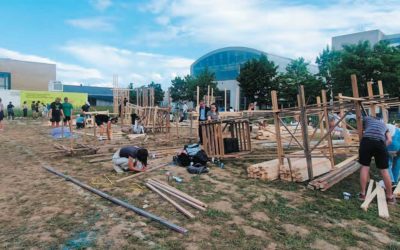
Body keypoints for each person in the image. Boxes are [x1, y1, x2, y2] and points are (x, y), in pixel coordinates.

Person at [358, 116, 395, 204]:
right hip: (380, 143)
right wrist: (382, 148)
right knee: (384, 170)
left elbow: (360, 125)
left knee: (365, 167)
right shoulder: (384, 125)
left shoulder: (367, 119)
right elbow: (389, 140)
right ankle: (390, 197)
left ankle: (363, 194)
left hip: (366, 142)